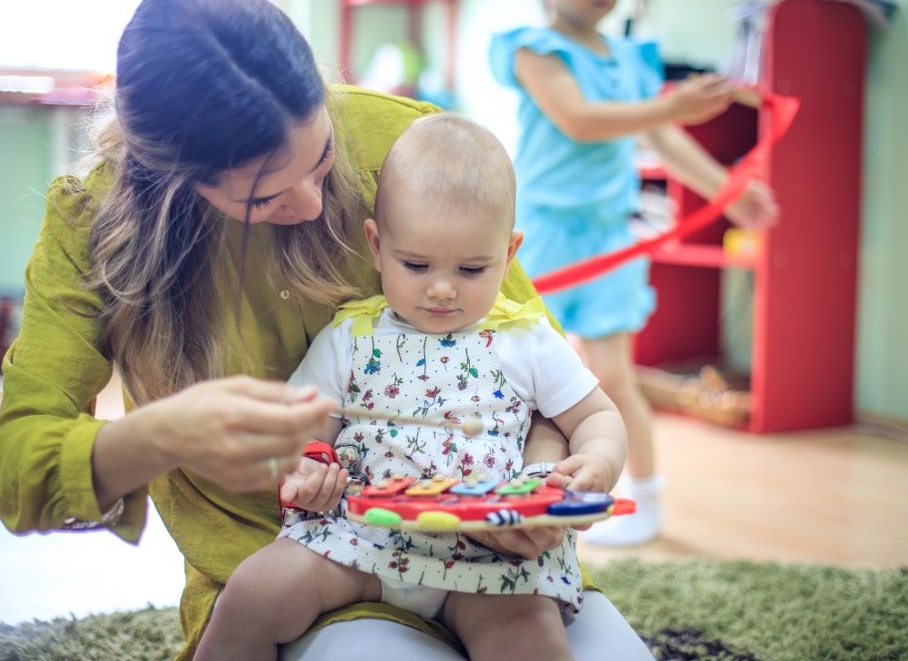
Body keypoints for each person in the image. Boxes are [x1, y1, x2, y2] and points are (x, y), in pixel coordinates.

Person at [0, 0, 653, 661]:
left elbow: (546, 386)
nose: (308, 203)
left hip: (499, 564)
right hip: (326, 549)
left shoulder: (414, 145)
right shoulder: (92, 221)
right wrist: (159, 437)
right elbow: (18, 466)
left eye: (323, 157)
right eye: (264, 197)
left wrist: (530, 490)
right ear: (176, 181)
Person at [194, 113, 631, 661]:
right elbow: (299, 429)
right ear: (376, 246)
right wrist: (304, 465)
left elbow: (597, 416)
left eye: (472, 269)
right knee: (251, 596)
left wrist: (597, 466)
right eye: (417, 264)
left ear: (510, 255)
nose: (443, 289)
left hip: (491, 556)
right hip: (358, 539)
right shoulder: (349, 336)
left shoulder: (526, 338)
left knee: (530, 642)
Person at [490, 0, 779, 546]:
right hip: (538, 239)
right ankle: (519, 498)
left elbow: (664, 137)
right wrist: (667, 105)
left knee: (614, 379)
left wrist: (730, 192)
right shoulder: (532, 50)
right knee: (524, 380)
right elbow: (579, 119)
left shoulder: (629, 58)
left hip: (611, 240)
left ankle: (644, 501)